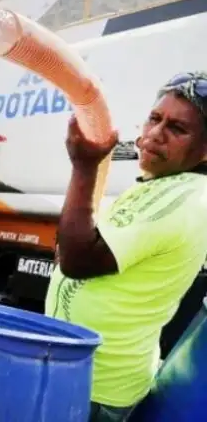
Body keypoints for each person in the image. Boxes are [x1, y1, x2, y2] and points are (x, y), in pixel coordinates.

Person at [45, 71, 207, 422]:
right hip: (78, 377)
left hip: (94, 391)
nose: (155, 134)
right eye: (154, 118)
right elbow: (74, 247)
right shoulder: (160, 184)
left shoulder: (182, 199)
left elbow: (76, 259)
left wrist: (85, 166)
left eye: (177, 129)